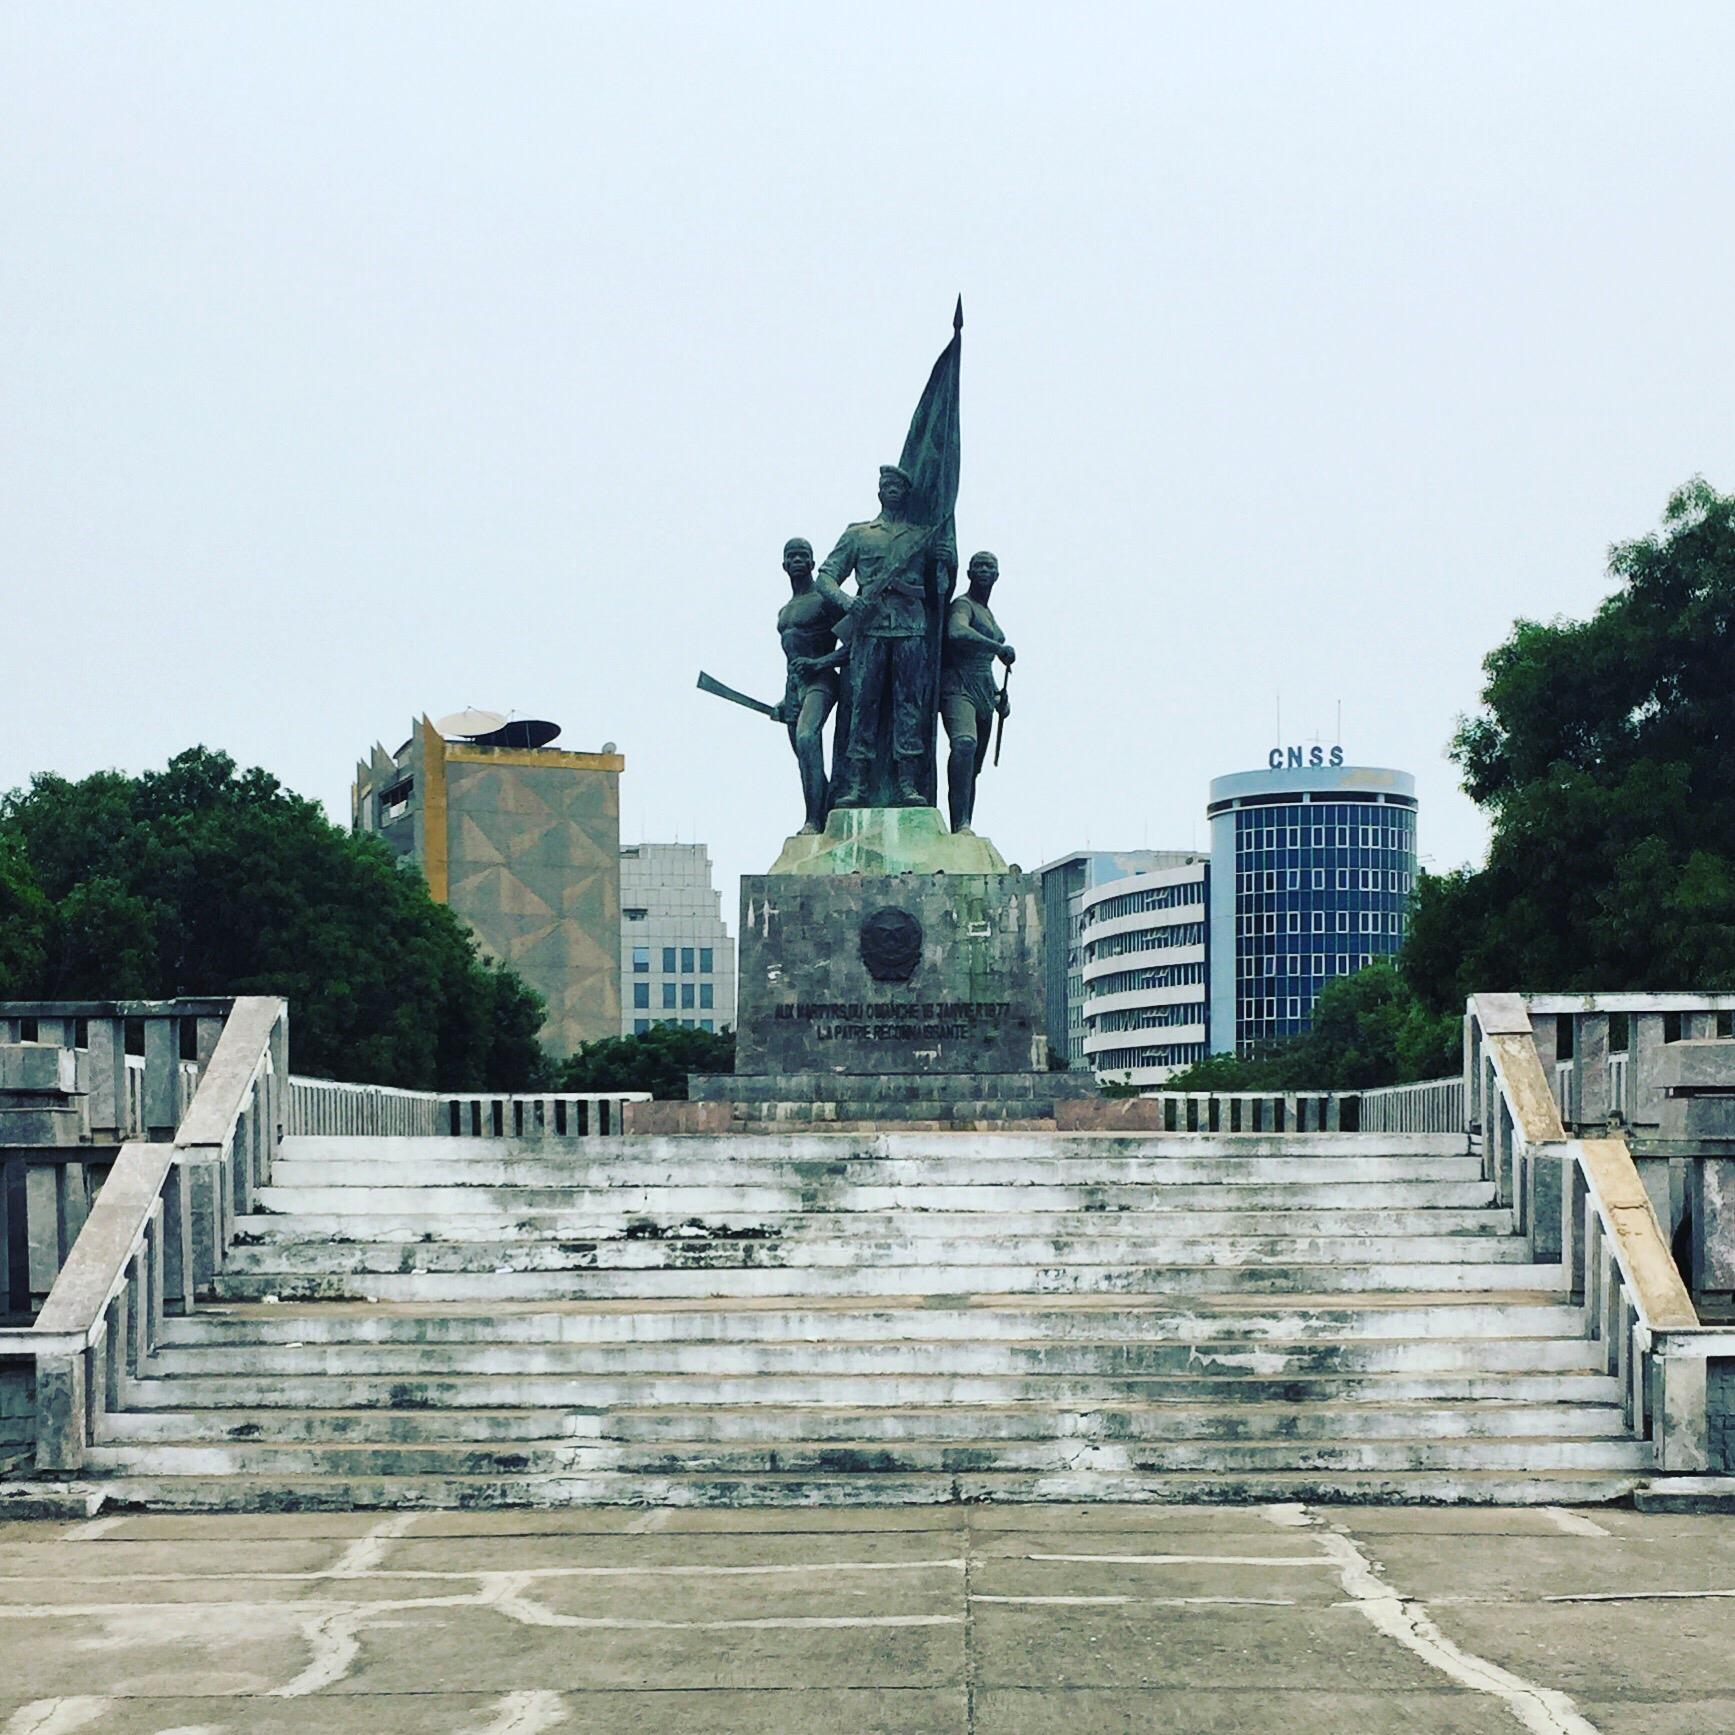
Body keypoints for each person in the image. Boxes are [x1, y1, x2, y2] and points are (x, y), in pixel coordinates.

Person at [813, 464, 954, 807]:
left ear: (906, 493)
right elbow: (826, 577)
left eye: (898, 486)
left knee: (910, 706)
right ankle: (858, 783)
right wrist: (848, 602)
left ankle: (908, 782)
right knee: (864, 705)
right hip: (870, 629)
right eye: (887, 485)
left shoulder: (922, 535)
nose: (892, 490)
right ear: (879, 491)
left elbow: (940, 591)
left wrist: (945, 564)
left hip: (910, 627)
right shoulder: (859, 534)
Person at [939, 550, 1014, 834]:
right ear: (969, 573)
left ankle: (964, 824)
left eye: (989, 566)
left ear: (996, 575)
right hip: (958, 686)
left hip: (983, 690)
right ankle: (959, 824)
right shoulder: (963, 605)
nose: (984, 570)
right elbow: (956, 632)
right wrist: (997, 648)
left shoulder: (988, 614)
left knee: (973, 769)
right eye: (978, 566)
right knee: (964, 744)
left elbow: (985, 666)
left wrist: (997, 696)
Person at [773, 536, 843, 834]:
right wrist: (784, 697)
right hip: (795, 686)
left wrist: (820, 663)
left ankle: (813, 821)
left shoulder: (825, 600)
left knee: (806, 738)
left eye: (804, 556)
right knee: (804, 757)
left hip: (822, 680)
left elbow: (856, 646)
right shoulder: (784, 611)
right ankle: (823, 811)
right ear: (784, 565)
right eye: (793, 556)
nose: (798, 560)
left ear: (813, 563)